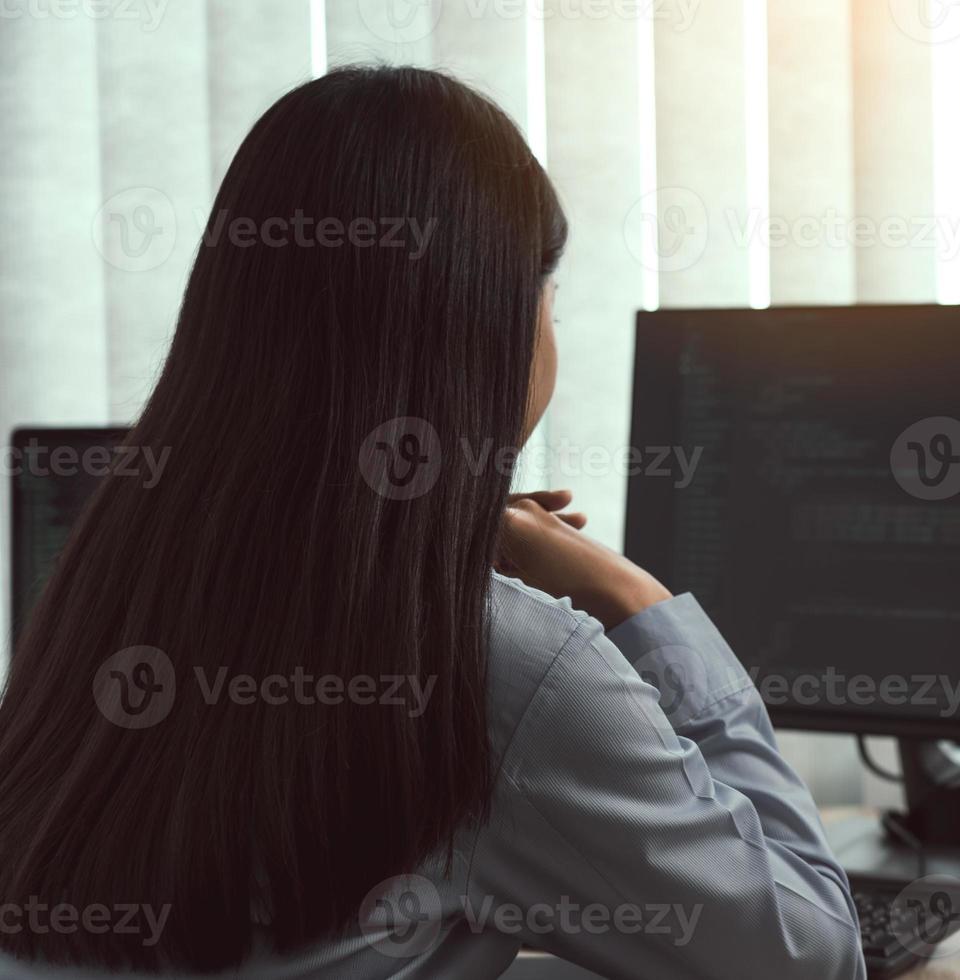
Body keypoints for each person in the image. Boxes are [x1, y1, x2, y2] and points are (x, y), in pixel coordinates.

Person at [0, 66, 864, 979]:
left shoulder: (108, 590)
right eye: (550, 304)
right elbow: (811, 956)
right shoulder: (502, 669)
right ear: (492, 331)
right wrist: (635, 601)